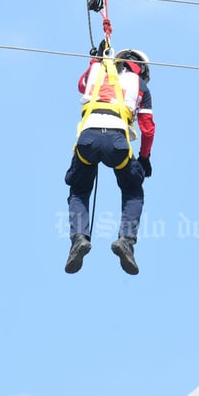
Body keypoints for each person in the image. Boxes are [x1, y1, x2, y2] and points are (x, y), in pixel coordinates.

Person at [64, 46, 155, 275]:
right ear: (142, 70)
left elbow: (81, 85)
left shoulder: (97, 72)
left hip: (88, 140)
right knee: (133, 189)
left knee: (79, 189)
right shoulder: (141, 86)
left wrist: (95, 60)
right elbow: (148, 129)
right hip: (118, 142)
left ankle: (78, 240)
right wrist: (144, 158)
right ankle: (126, 241)